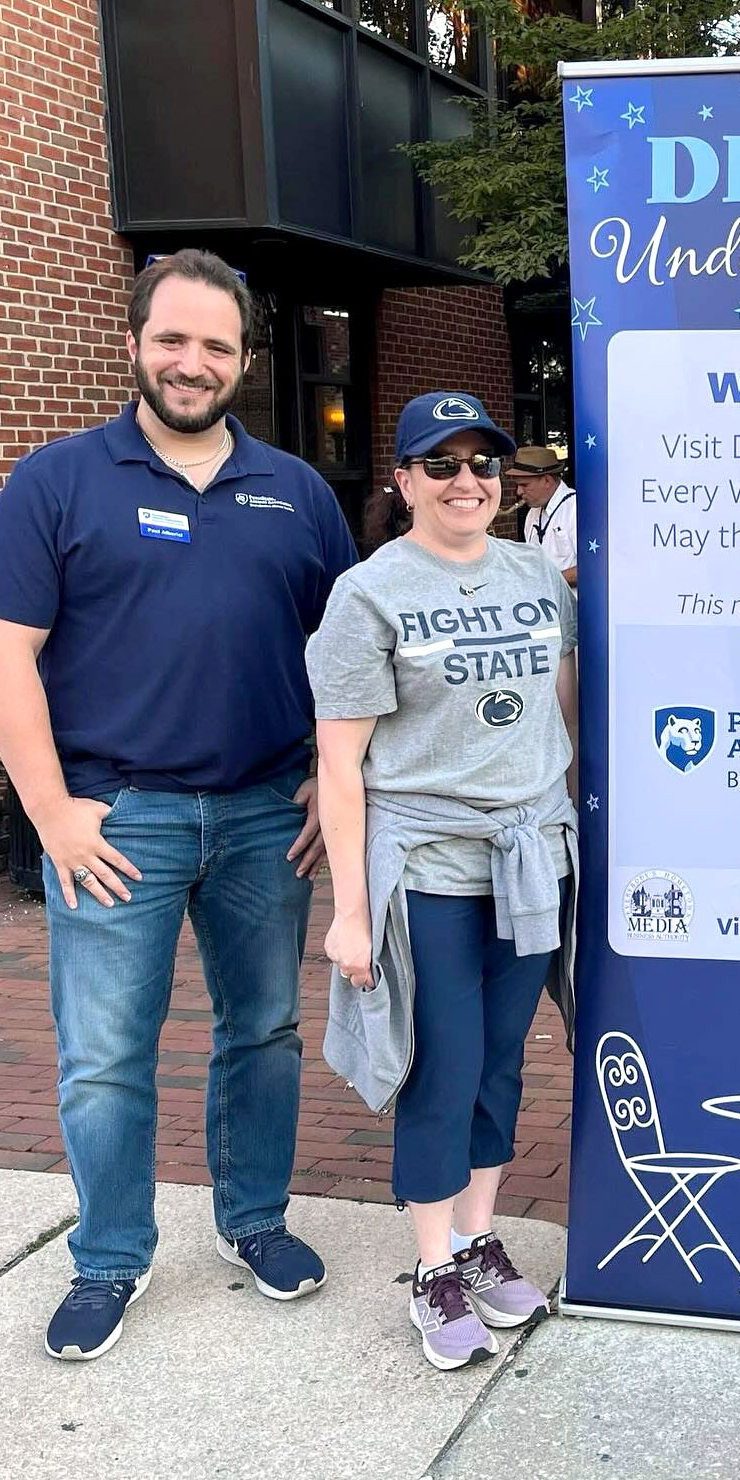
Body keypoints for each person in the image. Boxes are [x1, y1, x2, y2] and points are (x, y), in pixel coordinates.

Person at [0, 249, 358, 1360]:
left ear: (245, 358)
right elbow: (4, 658)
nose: (193, 363)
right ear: (134, 343)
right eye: (173, 339)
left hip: (259, 816)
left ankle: (253, 1220)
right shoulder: (58, 480)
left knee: (266, 1031)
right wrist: (50, 813)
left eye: (217, 345)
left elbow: (349, 660)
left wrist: (332, 790)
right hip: (113, 818)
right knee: (104, 1051)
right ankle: (108, 1256)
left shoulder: (296, 492)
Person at [306, 391, 577, 1371]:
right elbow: (342, 766)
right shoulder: (369, 594)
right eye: (443, 463)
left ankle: (476, 1237)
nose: (468, 480)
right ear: (405, 480)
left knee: (504, 1061)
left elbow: (561, 711)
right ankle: (432, 1266)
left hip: (530, 860)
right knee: (442, 1063)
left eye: (483, 463)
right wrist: (346, 911)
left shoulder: (537, 574)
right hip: (427, 868)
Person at [512, 446, 578, 587]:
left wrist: (545, 582)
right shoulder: (533, 513)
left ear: (547, 481)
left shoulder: (576, 508)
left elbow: (592, 568)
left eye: (524, 485)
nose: (519, 492)